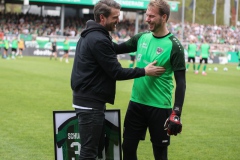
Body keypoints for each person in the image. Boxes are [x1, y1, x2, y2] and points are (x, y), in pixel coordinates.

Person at [70, 0, 165, 159]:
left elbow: (115, 49)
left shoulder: (93, 35)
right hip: (90, 104)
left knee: (95, 148)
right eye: (115, 17)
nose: (118, 20)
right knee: (88, 152)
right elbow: (116, 72)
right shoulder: (98, 39)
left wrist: (140, 41)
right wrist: (144, 71)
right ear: (102, 18)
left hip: (87, 101)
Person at [114, 0, 186, 159]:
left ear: (164, 17)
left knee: (160, 154)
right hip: (136, 103)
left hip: (159, 107)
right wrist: (97, 33)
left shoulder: (174, 46)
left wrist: (177, 112)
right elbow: (115, 49)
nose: (147, 19)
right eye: (147, 15)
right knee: (128, 148)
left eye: (152, 16)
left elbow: (181, 82)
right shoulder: (141, 38)